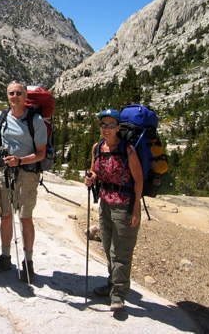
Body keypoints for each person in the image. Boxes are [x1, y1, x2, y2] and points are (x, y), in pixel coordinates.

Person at [0, 80, 47, 281]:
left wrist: (20, 160)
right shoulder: (1, 117)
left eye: (19, 93)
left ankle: (28, 263)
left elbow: (41, 153)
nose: (15, 96)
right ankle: (5, 257)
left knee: (26, 218)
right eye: (11, 93)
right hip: (4, 174)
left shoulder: (35, 120)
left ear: (26, 95)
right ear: (7, 96)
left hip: (27, 175)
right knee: (5, 216)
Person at [84, 108, 142, 311]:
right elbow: (95, 170)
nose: (106, 129)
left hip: (125, 205)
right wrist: (91, 178)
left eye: (111, 125)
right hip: (105, 203)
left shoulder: (127, 148)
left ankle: (118, 294)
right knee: (109, 247)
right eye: (103, 124)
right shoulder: (98, 147)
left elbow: (139, 179)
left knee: (122, 252)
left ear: (118, 127)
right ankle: (111, 283)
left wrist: (135, 210)